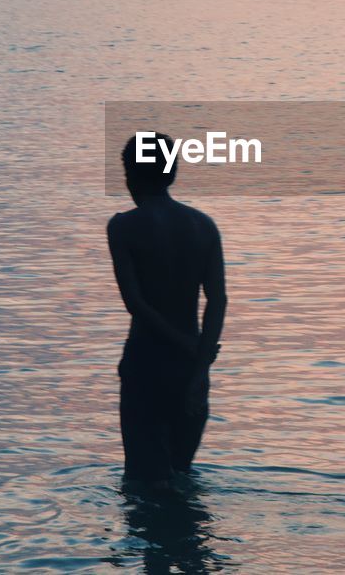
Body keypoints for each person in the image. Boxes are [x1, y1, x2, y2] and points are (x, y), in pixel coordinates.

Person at [108, 133, 227, 485]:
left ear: (129, 175)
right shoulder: (203, 225)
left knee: (143, 484)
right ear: (172, 173)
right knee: (180, 478)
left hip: (146, 365)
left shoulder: (123, 226)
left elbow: (135, 304)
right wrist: (200, 363)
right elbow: (217, 300)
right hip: (189, 370)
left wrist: (185, 346)